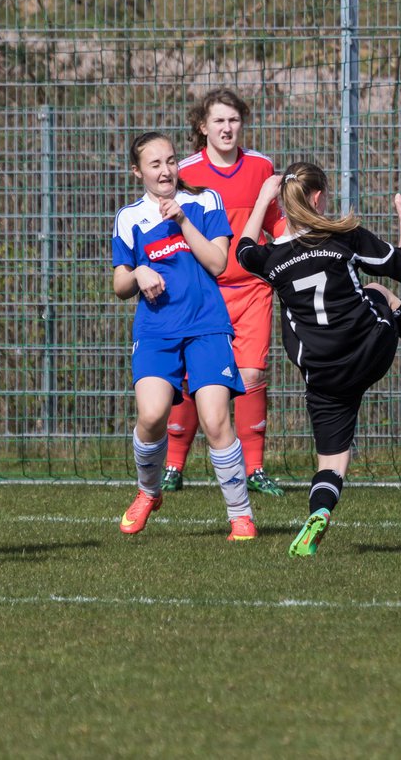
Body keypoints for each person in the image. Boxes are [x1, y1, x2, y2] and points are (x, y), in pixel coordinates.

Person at [235, 162, 401, 557]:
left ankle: (319, 512)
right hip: (369, 348)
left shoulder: (271, 260)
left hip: (322, 373)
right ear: (317, 198)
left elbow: (243, 250)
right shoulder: (343, 237)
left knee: (331, 461)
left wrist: (262, 198)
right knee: (382, 292)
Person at [112, 133, 256, 541]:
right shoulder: (128, 218)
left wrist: (181, 221)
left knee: (215, 420)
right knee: (152, 417)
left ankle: (241, 515)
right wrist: (138, 273)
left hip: (207, 326)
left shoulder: (205, 201)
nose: (166, 171)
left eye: (171, 161)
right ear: (137, 172)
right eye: (155, 164)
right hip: (156, 331)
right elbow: (120, 283)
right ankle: (148, 492)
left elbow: (217, 262)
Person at [160, 89, 283, 496]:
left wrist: (296, 253)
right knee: (197, 379)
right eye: (218, 121)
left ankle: (255, 469)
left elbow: (276, 222)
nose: (227, 128)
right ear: (202, 127)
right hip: (205, 291)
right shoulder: (188, 173)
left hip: (252, 288)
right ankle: (174, 466)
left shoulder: (262, 166)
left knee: (251, 375)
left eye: (233, 120)